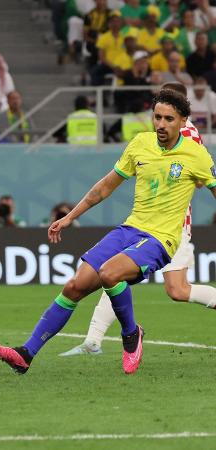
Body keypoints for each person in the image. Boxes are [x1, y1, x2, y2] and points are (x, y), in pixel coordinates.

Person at [0, 89, 216, 376]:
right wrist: (70, 217)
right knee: (75, 286)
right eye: (157, 117)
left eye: (168, 119)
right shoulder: (140, 144)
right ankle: (26, 354)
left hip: (162, 239)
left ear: (183, 120)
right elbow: (105, 186)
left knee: (111, 274)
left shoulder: (196, 154)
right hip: (130, 229)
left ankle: (131, 335)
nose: (160, 124)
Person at [61, 83, 216, 356]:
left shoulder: (189, 136)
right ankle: (93, 340)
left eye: (168, 112)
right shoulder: (158, 135)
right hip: (147, 223)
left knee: (176, 290)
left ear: (180, 108)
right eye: (158, 114)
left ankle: (95, 340)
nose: (161, 119)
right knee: (114, 273)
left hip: (173, 226)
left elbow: (201, 180)